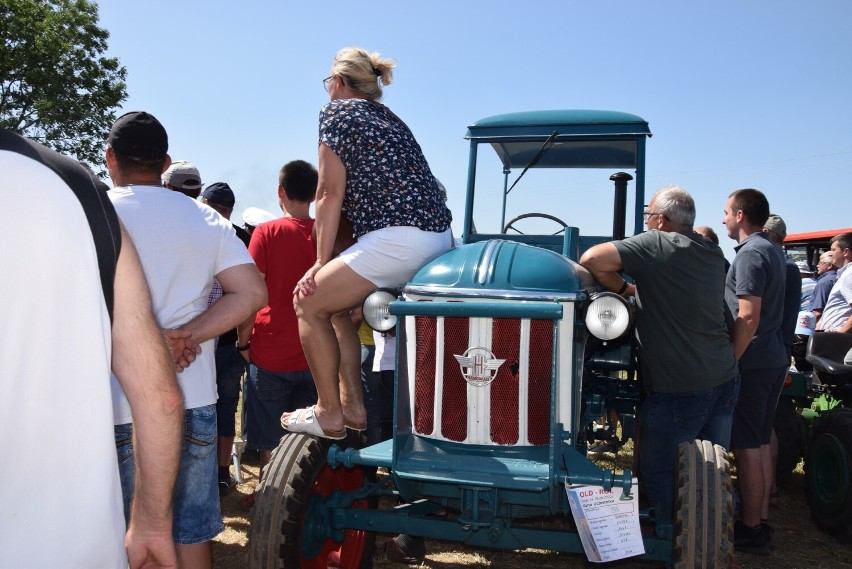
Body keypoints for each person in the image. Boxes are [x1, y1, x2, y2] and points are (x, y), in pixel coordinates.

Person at [0, 127, 184, 568]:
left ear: (112, 157)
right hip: (77, 544)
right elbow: (160, 398)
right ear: (164, 162)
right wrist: (152, 523)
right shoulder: (73, 186)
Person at [105, 111, 268, 568]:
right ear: (165, 161)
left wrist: (150, 342)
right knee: (190, 529)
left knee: (121, 533)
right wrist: (188, 335)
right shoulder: (205, 218)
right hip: (192, 392)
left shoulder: (95, 211)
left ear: (110, 157)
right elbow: (252, 291)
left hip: (112, 397)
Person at [285, 47, 453, 441]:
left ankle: (328, 412)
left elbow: (328, 193)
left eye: (329, 83)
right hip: (439, 238)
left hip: (399, 238)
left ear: (339, 83)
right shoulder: (391, 119)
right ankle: (355, 409)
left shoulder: (337, 111)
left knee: (307, 303)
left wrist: (319, 263)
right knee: (337, 310)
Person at [580, 185, 738, 531]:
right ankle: (710, 538)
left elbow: (591, 259)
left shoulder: (657, 243)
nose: (647, 224)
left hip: (678, 386)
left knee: (659, 473)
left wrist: (625, 291)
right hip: (723, 378)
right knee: (710, 473)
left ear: (662, 221)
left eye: (648, 218)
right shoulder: (711, 251)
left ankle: (670, 539)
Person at [236, 160, 320, 507]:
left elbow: (251, 294)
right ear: (315, 194)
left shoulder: (266, 233)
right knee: (305, 436)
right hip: (315, 352)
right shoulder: (327, 234)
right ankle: (300, 499)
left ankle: (269, 499)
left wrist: (243, 341)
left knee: (270, 434)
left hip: (270, 350)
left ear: (280, 192)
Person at [722, 188, 787, 556]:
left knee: (746, 447)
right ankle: (758, 521)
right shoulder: (773, 250)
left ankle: (748, 528)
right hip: (772, 357)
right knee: (760, 442)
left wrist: (732, 357)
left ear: (742, 215)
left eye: (727, 212)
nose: (724, 218)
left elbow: (747, 315)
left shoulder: (750, 254)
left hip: (753, 359)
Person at [199, 182, 252, 496]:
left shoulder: (196, 231)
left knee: (196, 407)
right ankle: (220, 474)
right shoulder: (241, 237)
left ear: (205, 201)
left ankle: (207, 473)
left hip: (199, 337)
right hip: (231, 341)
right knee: (225, 408)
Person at [816, 232, 852, 333]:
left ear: (845, 252)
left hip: (840, 340)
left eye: (833, 250)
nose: (831, 254)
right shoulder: (845, 274)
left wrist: (840, 335)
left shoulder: (849, 274)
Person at [810, 251, 838, 319]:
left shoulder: (824, 282)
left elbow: (817, 312)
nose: (817, 265)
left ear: (829, 266)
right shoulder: (837, 277)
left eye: (820, 263)